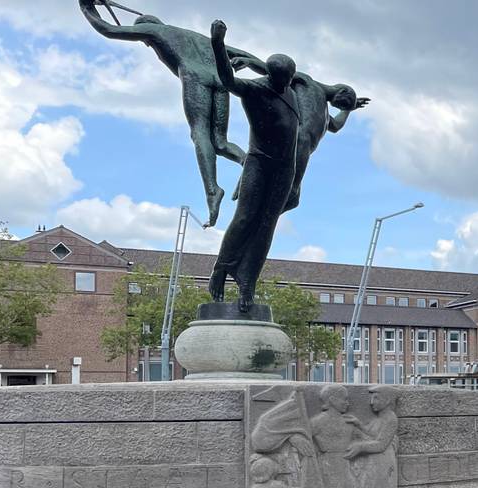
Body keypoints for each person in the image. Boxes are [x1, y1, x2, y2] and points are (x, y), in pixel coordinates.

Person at [78, 1, 261, 227]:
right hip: (221, 80)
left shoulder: (154, 30)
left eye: (144, 39)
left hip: (195, 77)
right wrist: (260, 66)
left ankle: (212, 190)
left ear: (146, 28)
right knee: (221, 142)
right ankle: (248, 163)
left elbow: (108, 29)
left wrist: (86, 6)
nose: (146, 43)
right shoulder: (198, 38)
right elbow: (244, 54)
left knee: (199, 133)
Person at [207, 19, 301, 312]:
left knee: (267, 226)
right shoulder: (255, 89)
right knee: (246, 217)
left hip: (285, 169)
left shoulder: (292, 92)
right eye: (281, 79)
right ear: (271, 75)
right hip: (259, 162)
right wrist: (218, 44)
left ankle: (247, 280)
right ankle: (221, 269)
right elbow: (228, 81)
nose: (285, 84)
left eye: (289, 79)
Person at [230, 57, 369, 212]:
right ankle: (257, 212)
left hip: (302, 148)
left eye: (343, 107)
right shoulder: (308, 83)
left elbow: (336, 126)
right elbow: (274, 69)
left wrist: (347, 110)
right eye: (342, 104)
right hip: (298, 142)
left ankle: (261, 216)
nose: (340, 107)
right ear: (342, 91)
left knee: (292, 200)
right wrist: (249, 62)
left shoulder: (323, 110)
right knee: (291, 193)